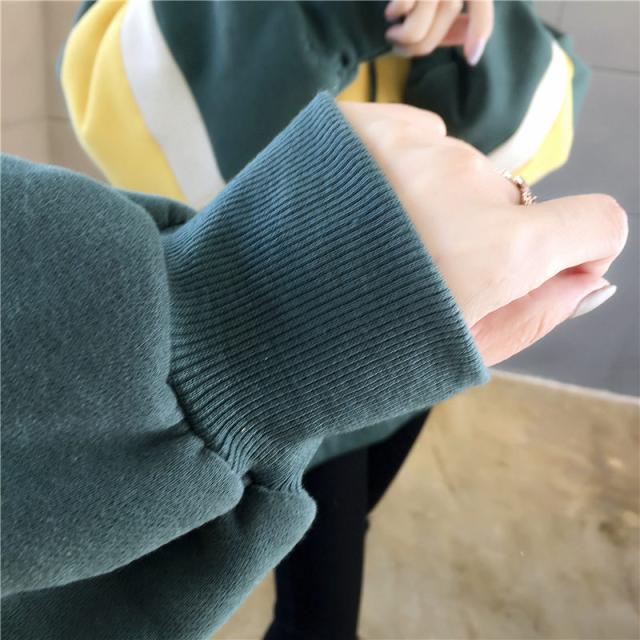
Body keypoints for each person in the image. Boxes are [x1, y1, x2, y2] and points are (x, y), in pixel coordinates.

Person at [1, 94, 627, 640]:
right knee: (323, 612)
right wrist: (218, 322)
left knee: (356, 519)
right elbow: (121, 88)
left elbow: (530, 114)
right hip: (293, 359)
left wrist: (475, 41)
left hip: (420, 333)